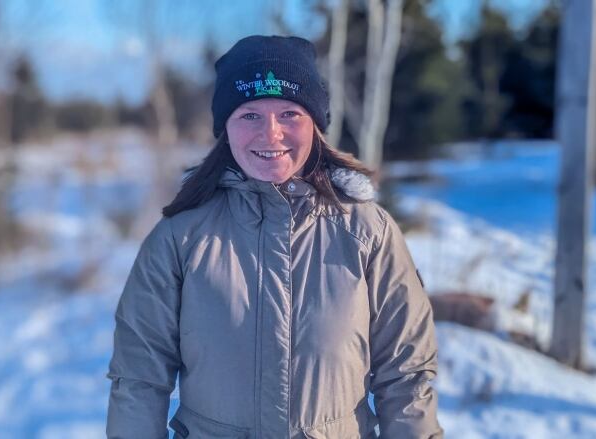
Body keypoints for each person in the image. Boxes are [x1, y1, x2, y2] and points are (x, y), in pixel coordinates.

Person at [106, 35, 443, 439]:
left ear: (315, 125)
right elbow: (139, 379)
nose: (271, 134)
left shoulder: (368, 233)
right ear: (225, 127)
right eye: (249, 115)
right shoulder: (178, 239)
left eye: (289, 113)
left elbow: (407, 377)